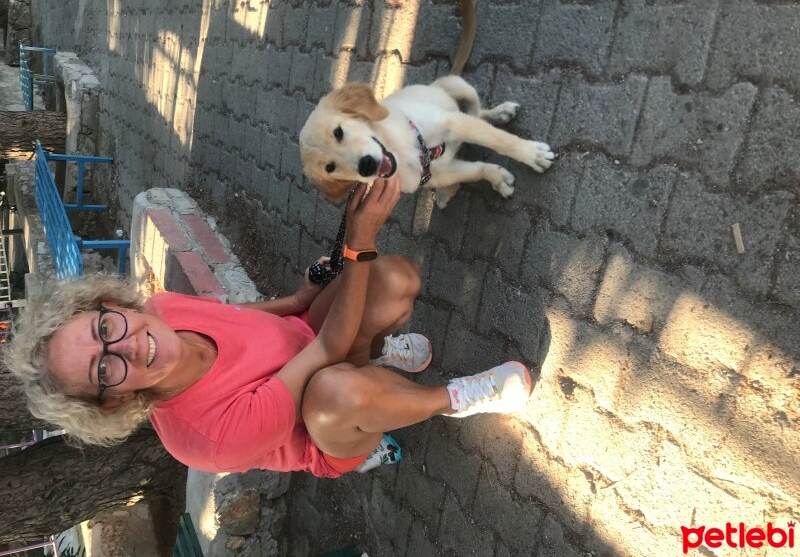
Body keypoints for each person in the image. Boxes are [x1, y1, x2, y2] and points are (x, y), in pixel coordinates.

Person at [4, 178, 533, 477]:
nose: (124, 345)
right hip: (327, 424)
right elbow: (325, 350)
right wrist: (358, 239)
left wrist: (301, 299)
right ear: (112, 403)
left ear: (106, 304)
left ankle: (376, 361)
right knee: (336, 391)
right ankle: (456, 397)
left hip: (309, 343)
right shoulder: (206, 440)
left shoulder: (163, 308)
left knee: (394, 280)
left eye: (103, 328)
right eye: (103, 370)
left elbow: (240, 318)